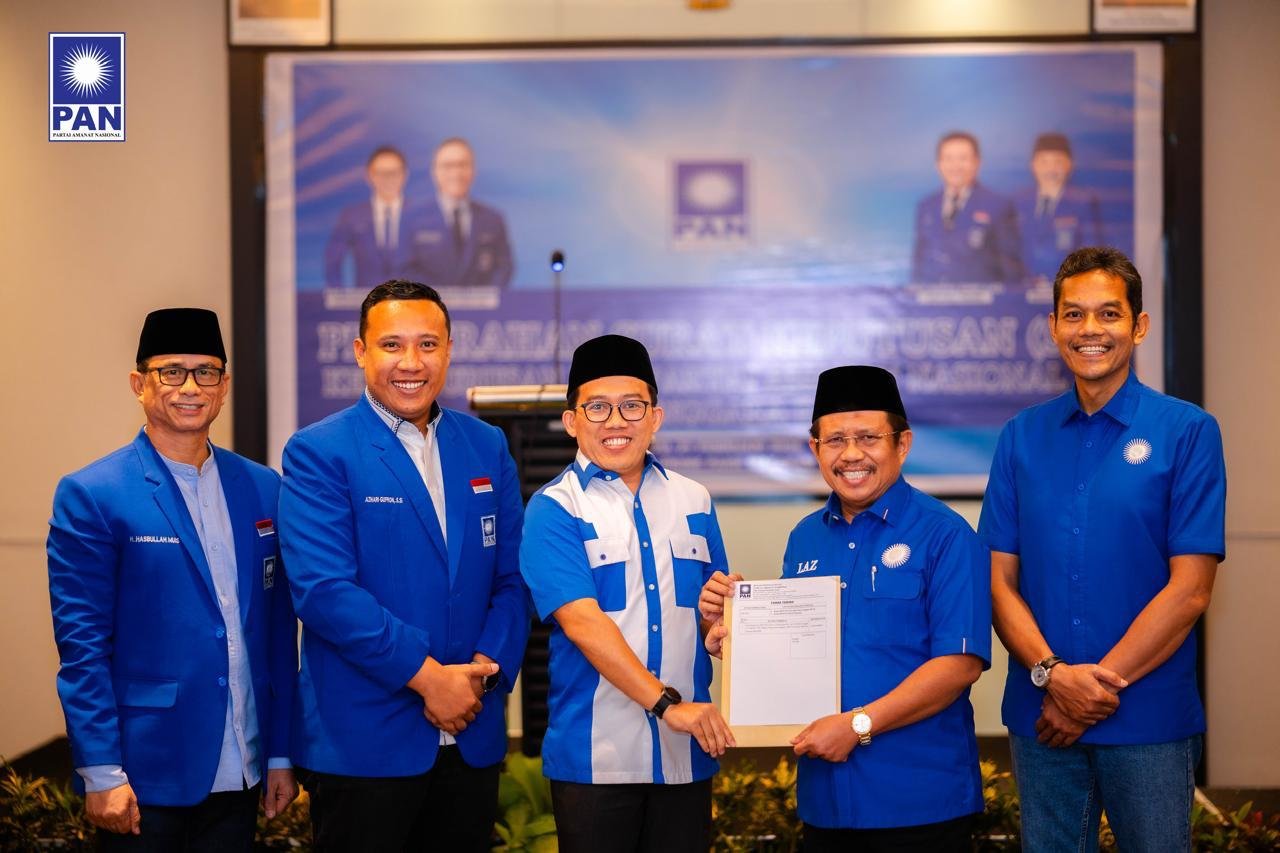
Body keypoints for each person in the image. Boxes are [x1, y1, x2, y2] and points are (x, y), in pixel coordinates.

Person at [979, 246, 1226, 853]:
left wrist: (1088, 695)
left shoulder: (1187, 432)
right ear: (1053, 326)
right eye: (1074, 314)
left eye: (1108, 314)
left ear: (1138, 326)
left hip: (1148, 719)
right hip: (1041, 716)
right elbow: (997, 582)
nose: (1090, 329)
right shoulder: (1020, 437)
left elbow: (1191, 590)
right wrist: (1053, 676)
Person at [279, 279, 528, 851]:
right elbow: (324, 592)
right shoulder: (320, 451)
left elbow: (513, 579)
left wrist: (482, 673)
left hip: (471, 733)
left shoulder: (486, 444)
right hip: (364, 744)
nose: (411, 363)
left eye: (428, 344)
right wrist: (430, 679)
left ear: (449, 349)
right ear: (360, 351)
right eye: (391, 345)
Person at [701, 366, 991, 851]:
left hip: (919, 800)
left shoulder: (946, 535)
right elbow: (799, 654)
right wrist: (735, 640)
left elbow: (959, 665)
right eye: (835, 440)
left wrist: (858, 726)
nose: (851, 454)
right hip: (826, 802)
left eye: (868, 438)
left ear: (902, 444)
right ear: (815, 449)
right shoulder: (805, 538)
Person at [47, 308, 298, 850]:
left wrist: (280, 751)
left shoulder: (263, 488)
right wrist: (101, 771)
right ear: (139, 384)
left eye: (206, 371)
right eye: (171, 372)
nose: (190, 387)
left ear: (224, 386)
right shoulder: (94, 494)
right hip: (144, 772)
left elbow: (279, 631)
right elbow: (82, 647)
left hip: (243, 768)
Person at [519, 334, 735, 853]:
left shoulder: (694, 499)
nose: (616, 421)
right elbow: (584, 625)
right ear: (572, 421)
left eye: (631, 406)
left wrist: (718, 627)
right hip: (597, 759)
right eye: (597, 407)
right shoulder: (554, 509)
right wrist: (667, 705)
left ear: (655, 417)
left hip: (685, 753)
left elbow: (711, 612)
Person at [911, 130, 1022, 284]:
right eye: (948, 159)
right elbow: (919, 263)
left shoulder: (998, 205)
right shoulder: (926, 207)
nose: (955, 166)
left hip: (981, 298)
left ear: (977, 162)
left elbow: (1011, 267)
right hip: (933, 297)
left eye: (963, 158)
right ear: (938, 164)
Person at [406, 137, 514, 289]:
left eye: (463, 165)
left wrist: (480, 298)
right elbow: (405, 269)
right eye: (448, 165)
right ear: (434, 171)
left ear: (473, 170)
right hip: (428, 303)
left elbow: (503, 268)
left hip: (481, 304)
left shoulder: (493, 220)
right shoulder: (412, 218)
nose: (456, 172)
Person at [324, 146, 423, 289]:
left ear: (405, 175)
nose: (388, 179)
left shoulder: (421, 214)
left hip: (411, 300)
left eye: (394, 172)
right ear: (369, 175)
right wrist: (339, 294)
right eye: (381, 173)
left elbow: (435, 262)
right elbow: (332, 259)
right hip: (366, 299)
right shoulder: (352, 216)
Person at [1014, 133, 1104, 282]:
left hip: (1067, 288)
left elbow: (1092, 255)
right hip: (1023, 288)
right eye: (1044, 162)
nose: (1051, 169)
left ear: (1069, 165)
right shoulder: (1018, 201)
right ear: (1033, 165)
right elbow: (1007, 251)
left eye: (1058, 161)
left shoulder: (1083, 202)